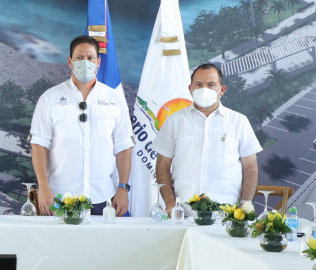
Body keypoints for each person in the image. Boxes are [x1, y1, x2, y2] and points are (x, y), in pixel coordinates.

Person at [29, 35, 132, 216]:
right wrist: (43, 187)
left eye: (90, 58)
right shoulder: (50, 98)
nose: (85, 62)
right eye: (79, 57)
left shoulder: (114, 99)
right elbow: (39, 145)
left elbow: (123, 146)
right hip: (59, 197)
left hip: (103, 197)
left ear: (98, 62)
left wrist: (123, 188)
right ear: (70, 61)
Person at [154, 62, 260, 209]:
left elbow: (250, 167)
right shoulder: (174, 121)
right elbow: (162, 165)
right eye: (198, 85)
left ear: (222, 90)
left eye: (211, 85)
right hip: (182, 213)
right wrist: (170, 203)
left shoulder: (239, 122)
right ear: (190, 89)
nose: (204, 90)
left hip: (227, 215)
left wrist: (245, 205)